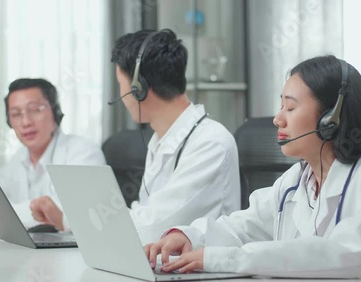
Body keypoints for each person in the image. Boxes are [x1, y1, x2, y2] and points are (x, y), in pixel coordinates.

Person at [145, 55, 361, 281]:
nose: (277, 119)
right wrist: (189, 236)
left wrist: (224, 259)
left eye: (290, 107)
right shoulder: (296, 180)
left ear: (330, 118)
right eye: (280, 107)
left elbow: (356, 256)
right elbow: (243, 226)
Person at [35, 29, 241, 243]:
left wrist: (69, 220)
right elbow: (145, 212)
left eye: (120, 84)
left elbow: (155, 226)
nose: (121, 95)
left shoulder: (210, 142)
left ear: (138, 88)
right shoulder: (161, 140)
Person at [0, 78, 106, 230]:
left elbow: (62, 212)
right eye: (16, 114)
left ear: (55, 112)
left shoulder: (83, 152)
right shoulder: (20, 157)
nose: (25, 122)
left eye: (35, 110)